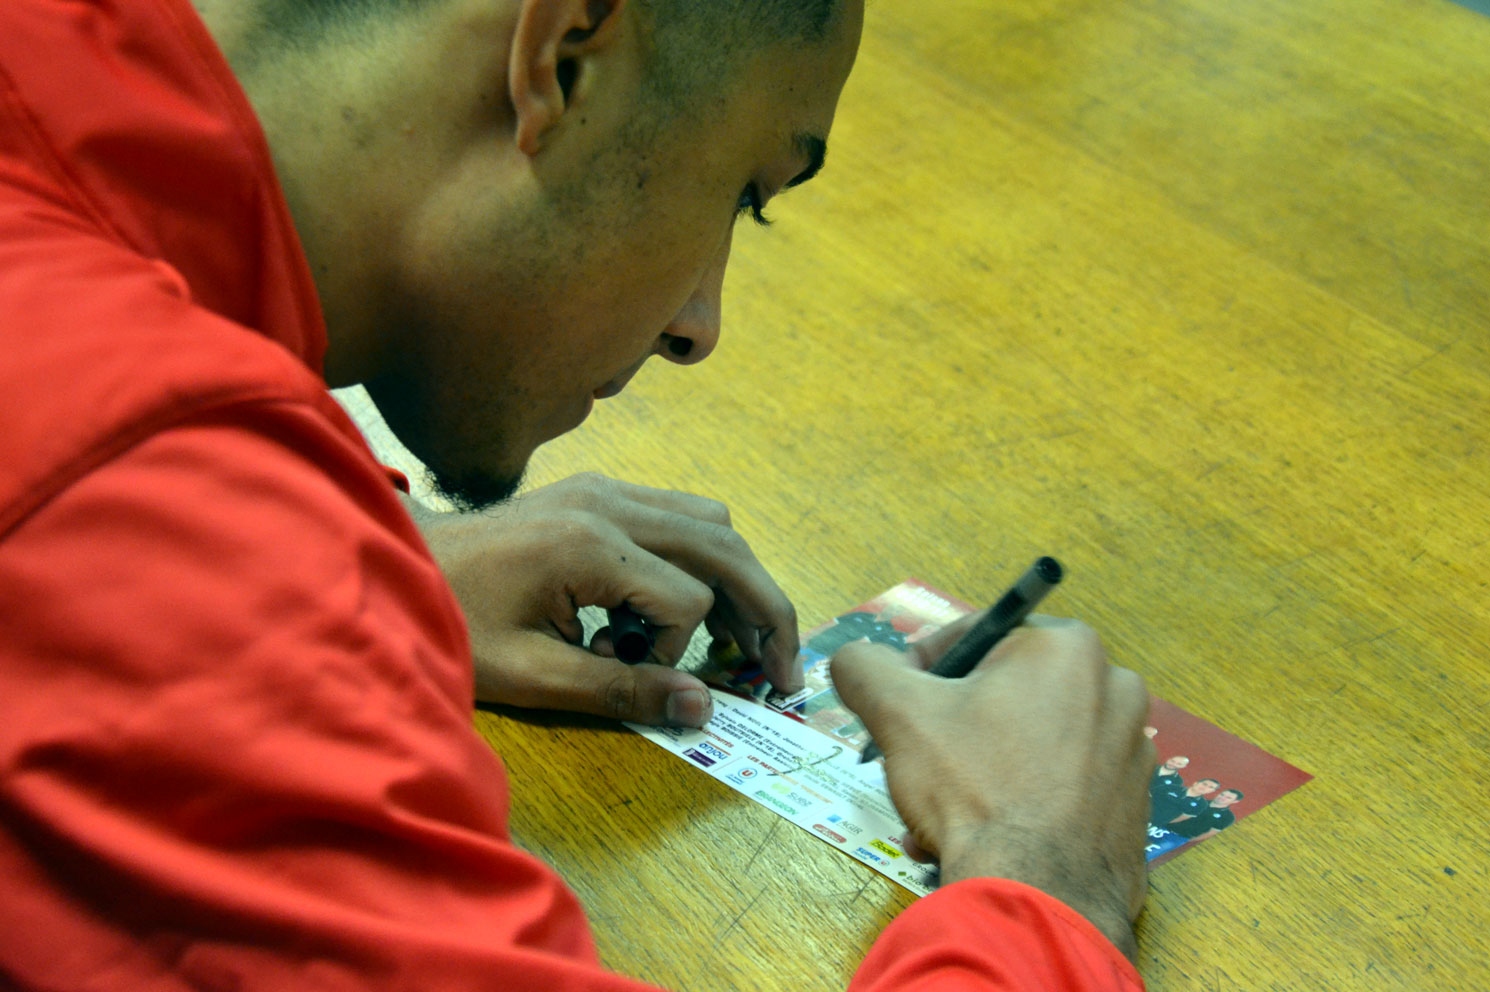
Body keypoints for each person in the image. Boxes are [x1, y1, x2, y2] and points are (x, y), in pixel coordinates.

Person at [0, 0, 1156, 989]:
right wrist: (1040, 878)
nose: (697, 324)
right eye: (741, 194)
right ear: (564, 51)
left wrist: (364, 550)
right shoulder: (135, 507)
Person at [1167, 789, 1244, 842]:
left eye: (1228, 797)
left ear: (1235, 801)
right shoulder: (1200, 802)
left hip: (1180, 837)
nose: (1222, 798)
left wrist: (1187, 840)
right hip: (1166, 828)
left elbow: (1211, 833)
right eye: (1222, 794)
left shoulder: (1228, 817)